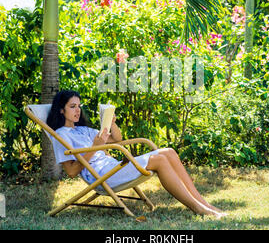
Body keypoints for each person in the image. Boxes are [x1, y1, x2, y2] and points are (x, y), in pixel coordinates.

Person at [47, 90, 227, 219]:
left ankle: (205, 204)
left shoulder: (84, 129)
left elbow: (116, 140)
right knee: (160, 160)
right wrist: (95, 147)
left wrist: (112, 123)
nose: (77, 110)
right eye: (72, 107)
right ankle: (198, 209)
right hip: (102, 177)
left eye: (79, 106)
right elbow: (71, 172)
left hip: (111, 167)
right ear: (61, 110)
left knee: (169, 152)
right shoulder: (61, 134)